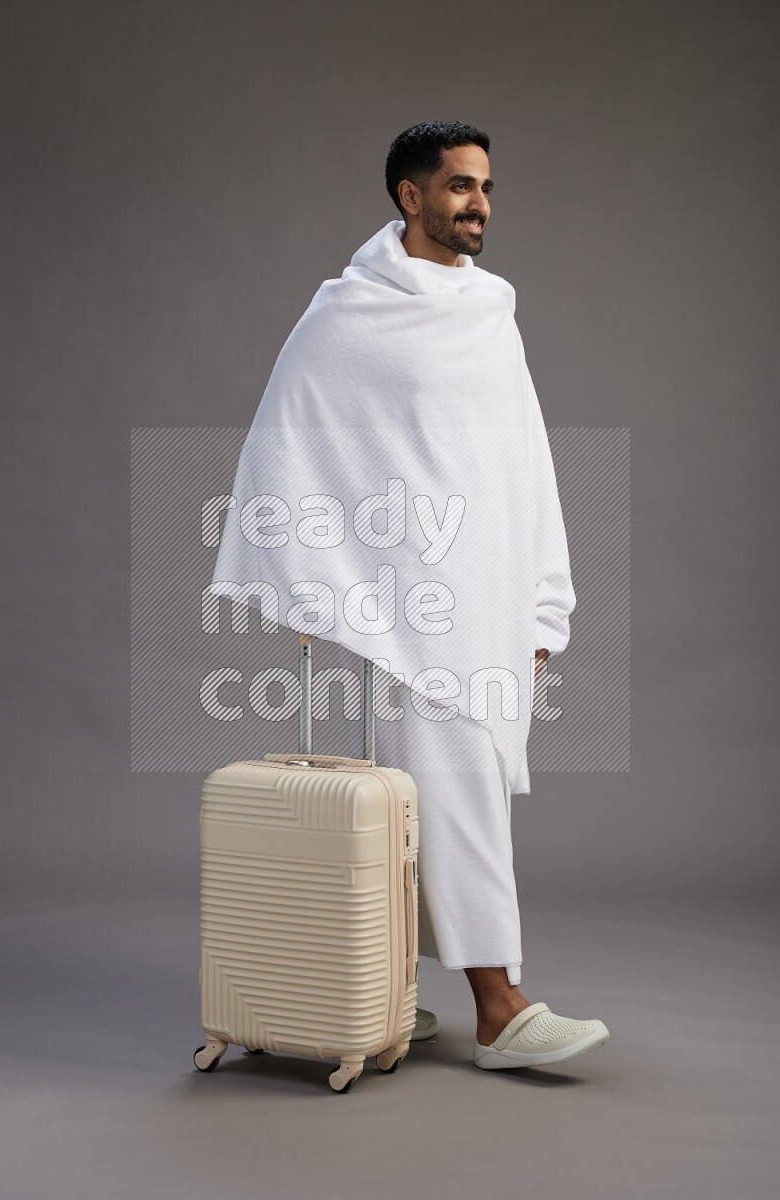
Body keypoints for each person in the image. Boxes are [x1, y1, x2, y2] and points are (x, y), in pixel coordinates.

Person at [211, 120, 609, 1070]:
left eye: (486, 187)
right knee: (453, 792)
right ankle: (500, 1007)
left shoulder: (488, 312)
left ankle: (377, 994)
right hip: (412, 606)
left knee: (428, 808)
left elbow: (526, 464)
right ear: (409, 195)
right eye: (460, 186)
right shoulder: (350, 314)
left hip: (489, 594)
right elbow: (288, 437)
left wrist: (542, 601)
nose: (478, 203)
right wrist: (308, 573)